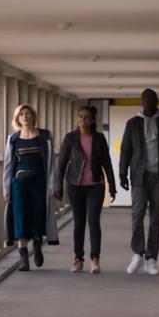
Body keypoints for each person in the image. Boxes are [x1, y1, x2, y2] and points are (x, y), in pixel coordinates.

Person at [118, 88, 159, 276]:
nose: (148, 103)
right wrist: (122, 173)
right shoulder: (132, 124)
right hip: (139, 176)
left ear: (157, 101)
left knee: (156, 217)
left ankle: (151, 258)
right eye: (145, 100)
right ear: (141, 102)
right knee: (137, 214)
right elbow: (125, 150)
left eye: (151, 100)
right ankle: (137, 253)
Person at [54, 105, 117, 274]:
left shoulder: (99, 138)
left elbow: (107, 162)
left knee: (93, 221)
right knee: (79, 222)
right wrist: (58, 185)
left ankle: (95, 259)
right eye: (80, 116)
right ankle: (78, 259)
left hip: (96, 185)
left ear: (92, 120)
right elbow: (61, 163)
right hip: (75, 185)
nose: (82, 119)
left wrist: (112, 184)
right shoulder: (70, 139)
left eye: (86, 117)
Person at [2, 103, 59, 272]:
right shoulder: (13, 139)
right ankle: (23, 258)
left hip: (39, 182)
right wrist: (6, 187)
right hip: (19, 184)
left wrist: (52, 184)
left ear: (33, 116)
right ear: (17, 119)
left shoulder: (44, 136)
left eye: (28, 114)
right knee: (20, 216)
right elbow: (7, 164)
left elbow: (51, 162)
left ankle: (37, 245)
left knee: (38, 214)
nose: (25, 117)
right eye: (21, 114)